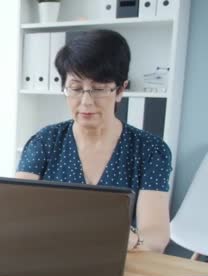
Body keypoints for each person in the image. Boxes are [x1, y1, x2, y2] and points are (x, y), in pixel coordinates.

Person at [15, 29, 172, 253]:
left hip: (119, 262)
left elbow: (156, 236)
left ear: (120, 90)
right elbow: (17, 209)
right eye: (76, 89)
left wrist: (132, 240)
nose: (86, 101)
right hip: (50, 256)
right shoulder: (44, 141)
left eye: (98, 89)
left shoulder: (150, 150)